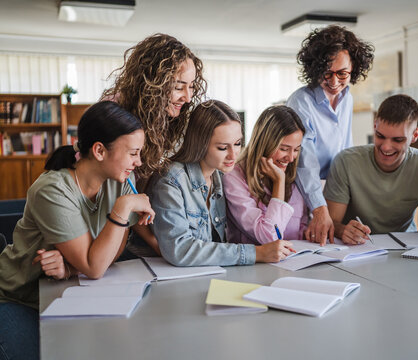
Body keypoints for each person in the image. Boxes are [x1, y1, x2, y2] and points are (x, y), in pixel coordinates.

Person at [0, 101, 154, 360]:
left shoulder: (120, 181)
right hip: (19, 299)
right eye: (133, 153)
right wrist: (124, 206)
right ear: (99, 151)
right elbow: (95, 267)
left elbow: (110, 254)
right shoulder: (52, 190)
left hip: (67, 291)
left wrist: (71, 268)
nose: (138, 162)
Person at [148, 100, 294, 266]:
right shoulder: (171, 180)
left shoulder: (219, 176)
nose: (233, 155)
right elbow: (181, 250)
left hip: (201, 274)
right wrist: (256, 253)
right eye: (223, 148)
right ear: (200, 144)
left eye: (238, 144)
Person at [102, 33, 207, 255]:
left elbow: (139, 189)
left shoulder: (160, 116)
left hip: (127, 227)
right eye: (179, 87)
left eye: (191, 87)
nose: (188, 97)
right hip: (101, 228)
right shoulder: (115, 115)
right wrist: (163, 248)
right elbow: (118, 196)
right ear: (153, 83)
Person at [286, 25, 375, 245]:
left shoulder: (348, 98)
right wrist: (319, 208)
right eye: (327, 73)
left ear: (354, 67)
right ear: (315, 69)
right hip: (305, 190)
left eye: (342, 73)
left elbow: (346, 150)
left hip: (335, 191)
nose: (334, 82)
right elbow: (304, 162)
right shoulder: (301, 102)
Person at [324, 94, 418, 244]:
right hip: (356, 248)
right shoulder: (346, 162)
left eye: (398, 140)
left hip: (404, 248)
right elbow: (331, 224)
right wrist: (343, 230)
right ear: (374, 126)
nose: (385, 147)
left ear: (415, 135)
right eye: (380, 136)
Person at [223, 105, 308, 244]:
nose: (291, 158)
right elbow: (269, 238)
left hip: (294, 261)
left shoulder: (295, 176)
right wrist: (279, 182)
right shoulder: (234, 178)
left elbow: (302, 228)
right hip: (255, 265)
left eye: (296, 150)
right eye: (284, 149)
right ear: (265, 143)